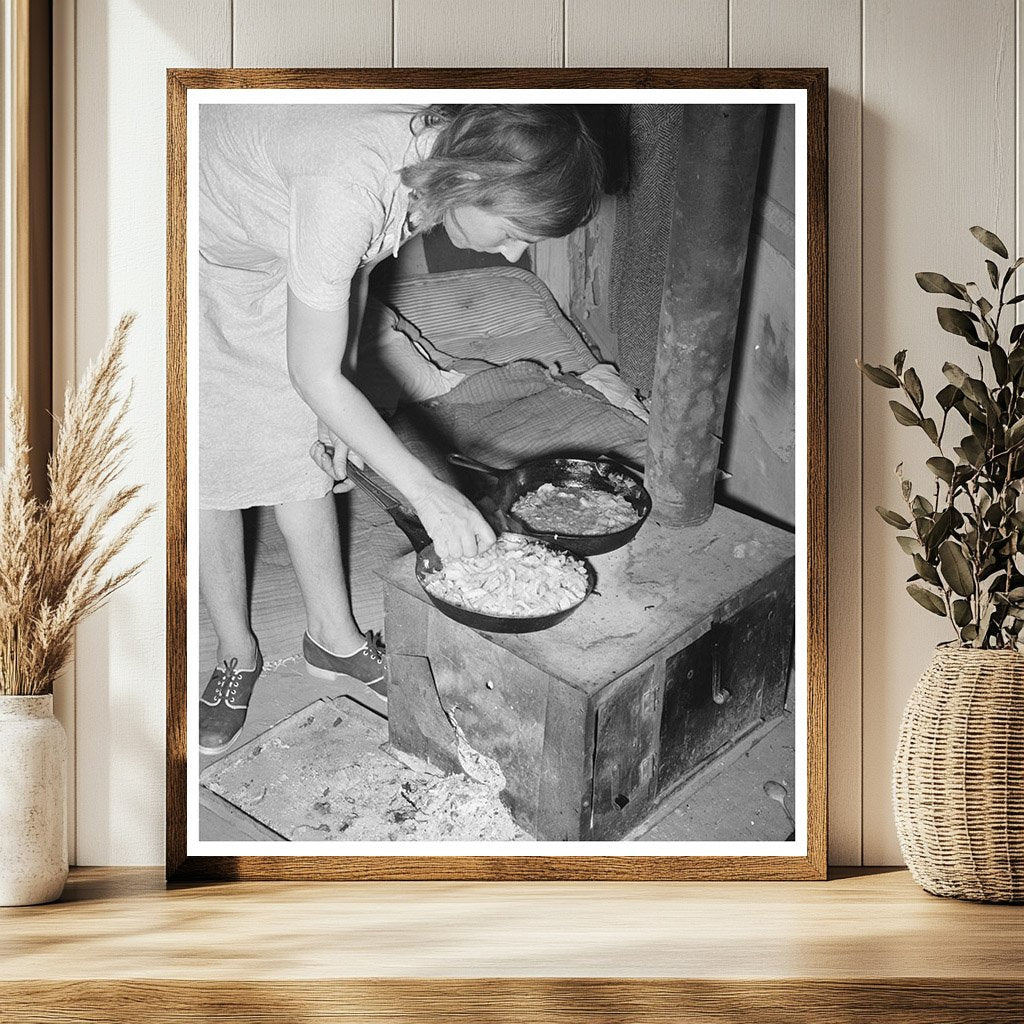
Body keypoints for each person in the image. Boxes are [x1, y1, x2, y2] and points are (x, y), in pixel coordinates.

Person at [196, 103, 605, 754]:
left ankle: (332, 640)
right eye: (512, 230)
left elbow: (354, 270)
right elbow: (313, 368)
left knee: (308, 435)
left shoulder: (436, 157)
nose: (515, 252)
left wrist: (339, 396)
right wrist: (427, 491)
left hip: (283, 237)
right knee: (209, 461)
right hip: (194, 238)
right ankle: (235, 649)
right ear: (474, 182)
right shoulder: (348, 184)